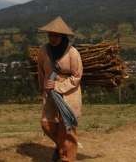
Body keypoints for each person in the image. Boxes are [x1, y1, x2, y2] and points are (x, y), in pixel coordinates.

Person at [37, 16, 83, 162]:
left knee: (67, 127)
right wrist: (42, 89)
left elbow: (77, 76)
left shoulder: (72, 52)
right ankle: (61, 147)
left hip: (70, 93)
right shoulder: (43, 51)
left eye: (56, 35)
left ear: (63, 36)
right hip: (50, 92)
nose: (52, 38)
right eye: (50, 35)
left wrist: (58, 86)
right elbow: (40, 71)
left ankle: (67, 157)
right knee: (46, 123)